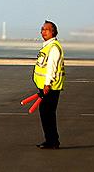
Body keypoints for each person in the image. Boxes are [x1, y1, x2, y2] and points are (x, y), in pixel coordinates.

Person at [33, 20, 65, 149]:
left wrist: (47, 84)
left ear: (53, 32)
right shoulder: (47, 46)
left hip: (50, 87)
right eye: (42, 29)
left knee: (48, 114)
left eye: (46, 29)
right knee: (45, 114)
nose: (43, 32)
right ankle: (50, 140)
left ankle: (53, 141)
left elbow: (51, 67)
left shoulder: (54, 47)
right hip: (44, 86)